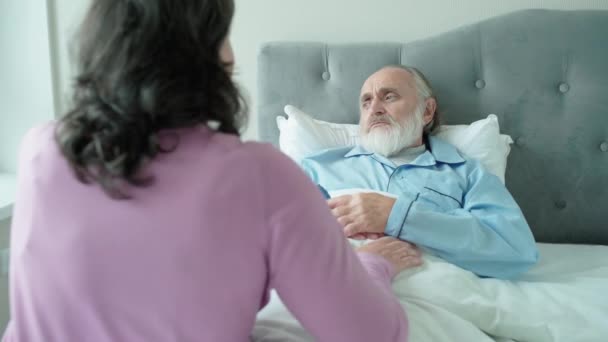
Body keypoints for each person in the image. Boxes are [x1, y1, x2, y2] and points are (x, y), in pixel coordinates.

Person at [1, 2, 415, 341]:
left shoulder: (39, 150)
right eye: (223, 36)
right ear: (207, 57)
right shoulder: (268, 176)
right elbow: (373, 334)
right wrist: (372, 263)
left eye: (389, 97)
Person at [300, 65, 539, 279]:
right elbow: (283, 246)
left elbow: (516, 250)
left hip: (436, 300)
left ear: (427, 111)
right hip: (338, 290)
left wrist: (398, 216)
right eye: (366, 101)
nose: (374, 109)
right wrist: (361, 263)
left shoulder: (467, 174)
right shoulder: (317, 168)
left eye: (389, 96)